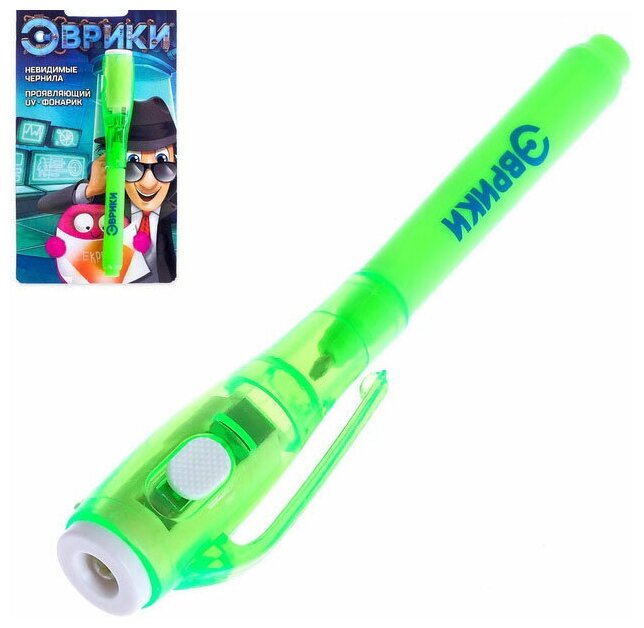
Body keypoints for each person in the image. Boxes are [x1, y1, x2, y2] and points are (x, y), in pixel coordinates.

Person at [38, 96, 177, 282]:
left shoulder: (175, 199)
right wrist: (89, 190)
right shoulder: (110, 196)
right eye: (132, 165)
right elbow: (44, 205)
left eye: (163, 164)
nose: (148, 182)